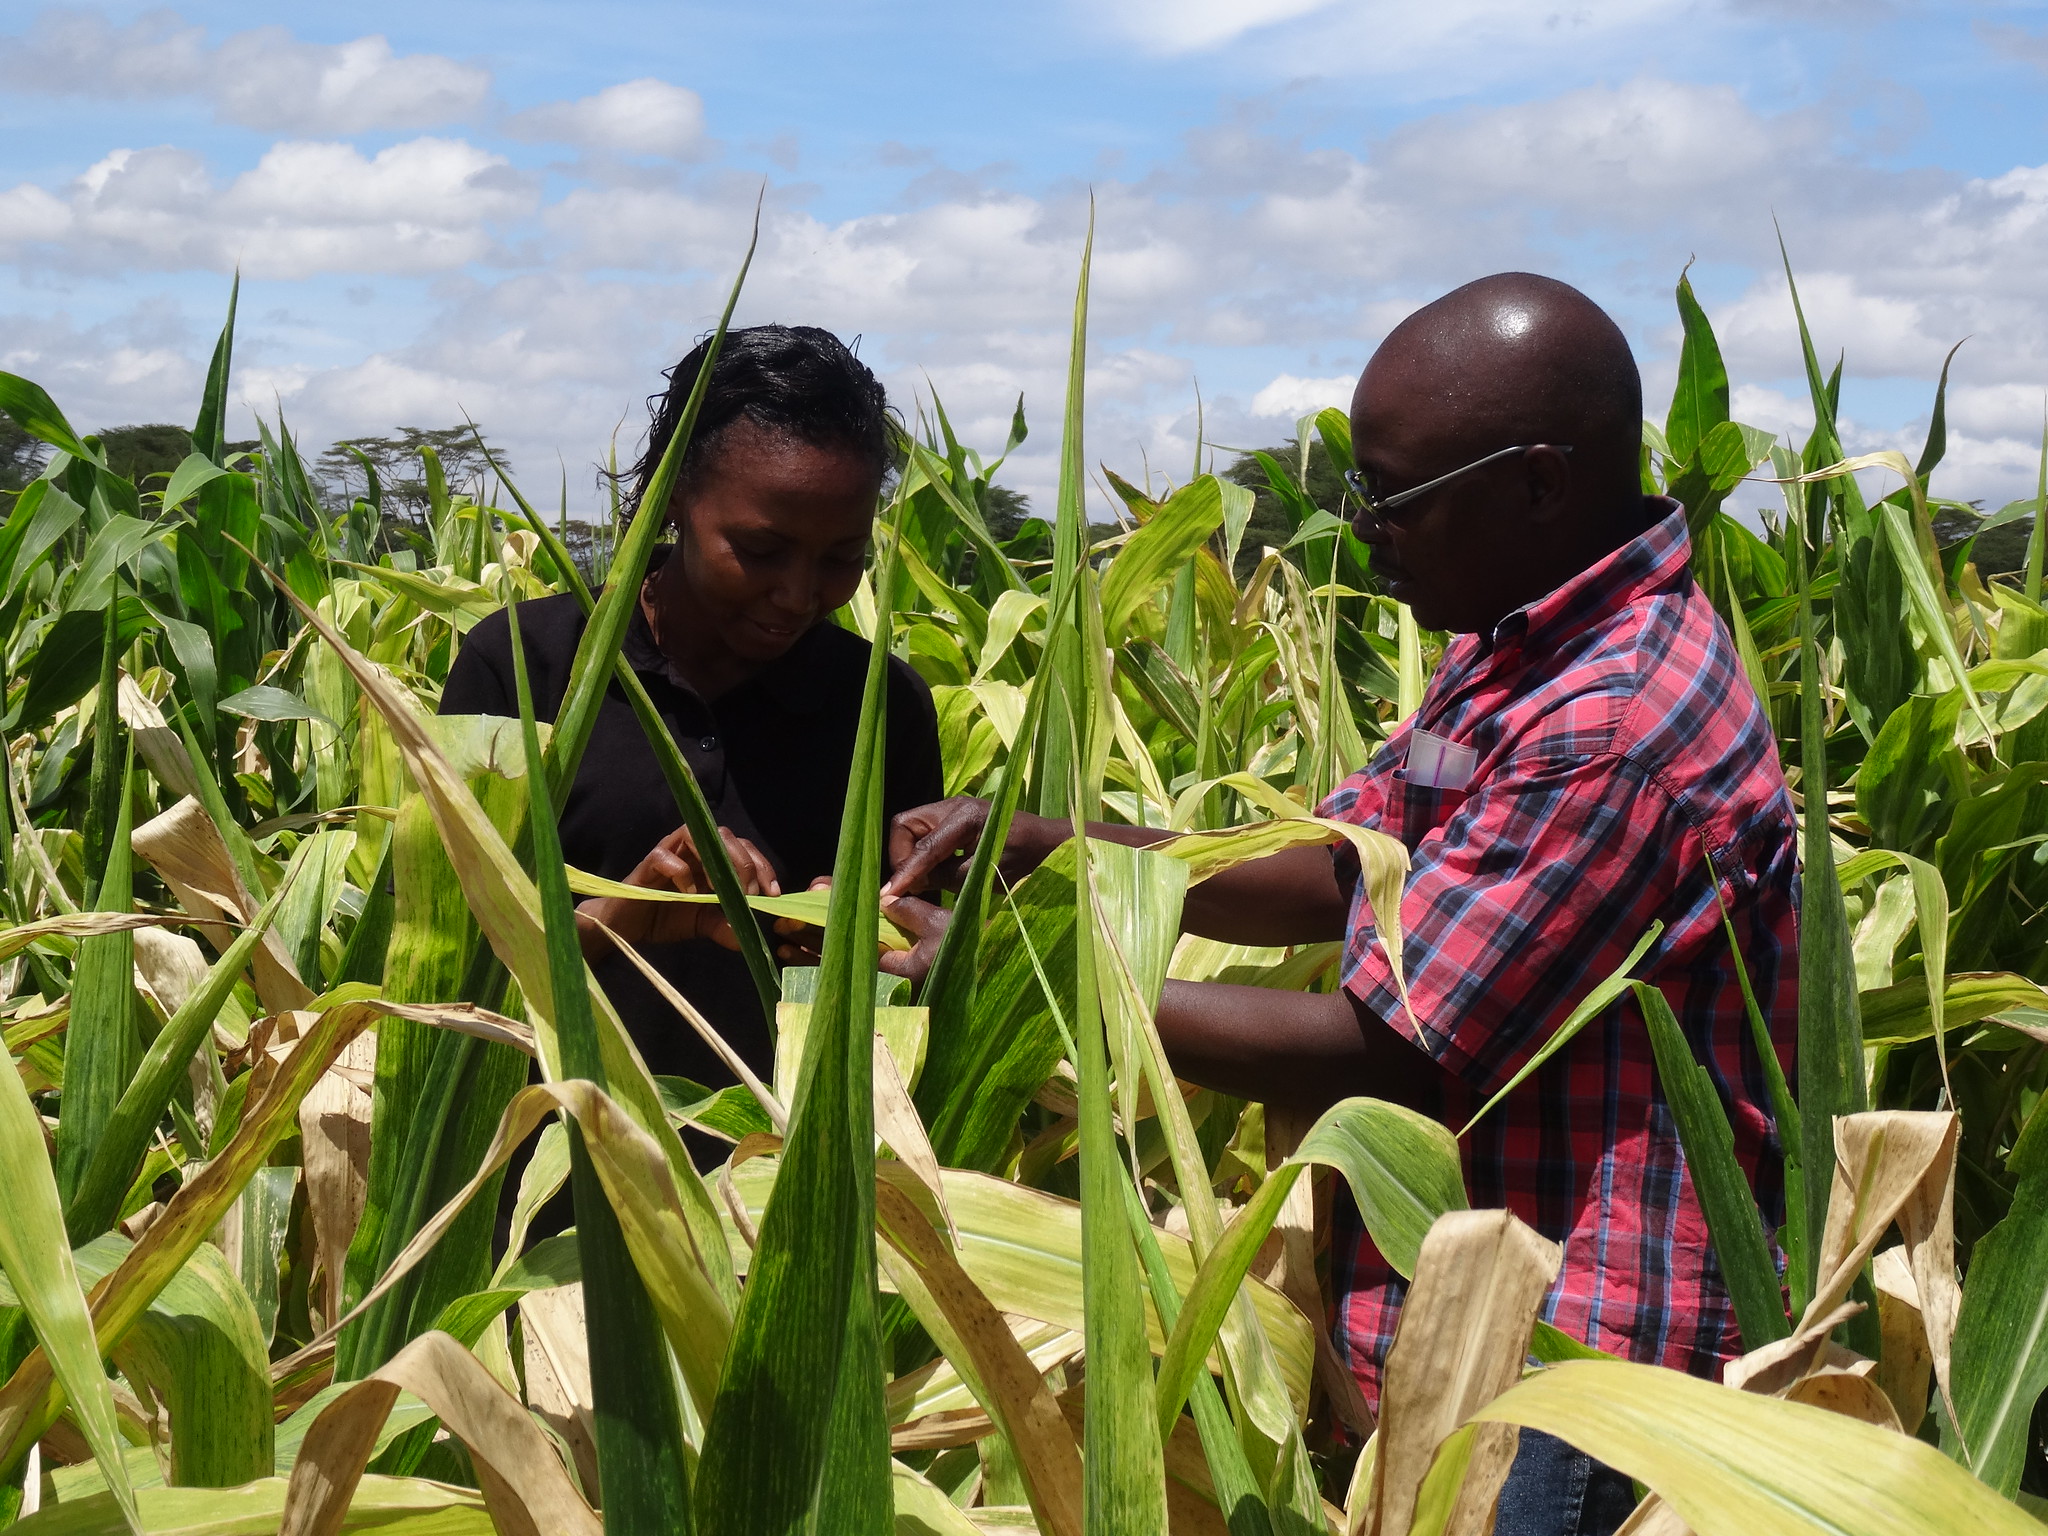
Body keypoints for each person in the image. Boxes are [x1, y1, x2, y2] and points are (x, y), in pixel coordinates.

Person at [880, 274, 1797, 1536]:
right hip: (1456, 1321)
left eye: (1393, 497)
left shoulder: (1609, 723)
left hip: (1557, 1372)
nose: (1366, 530)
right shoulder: (1511, 645)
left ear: (1535, 484)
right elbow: (1337, 866)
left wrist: (1034, 989)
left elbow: (1396, 1051)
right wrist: (1057, 846)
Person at [441, 324, 945, 1102]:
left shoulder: (882, 708)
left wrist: (851, 939)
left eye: (842, 557)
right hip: (542, 1168)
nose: (799, 594)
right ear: (672, 496)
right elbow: (438, 973)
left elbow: (911, 983)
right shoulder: (522, 666)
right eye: (761, 549)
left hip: (777, 1172)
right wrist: (621, 914)